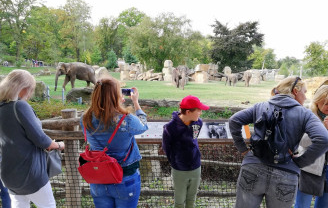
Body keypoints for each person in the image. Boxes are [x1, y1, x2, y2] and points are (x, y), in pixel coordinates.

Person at [228, 76, 328, 208]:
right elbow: (324, 139)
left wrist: (243, 149)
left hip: (252, 169)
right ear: (295, 91)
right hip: (286, 172)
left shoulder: (260, 106)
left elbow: (234, 120)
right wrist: (301, 161)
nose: (305, 97)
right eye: (304, 92)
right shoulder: (305, 114)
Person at [0, 70, 65, 208]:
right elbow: (41, 139)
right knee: (48, 205)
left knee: (19, 205)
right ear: (22, 88)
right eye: (30, 90)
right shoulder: (19, 106)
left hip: (9, 173)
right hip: (30, 173)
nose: (30, 95)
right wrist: (58, 145)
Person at [80, 77, 148, 208]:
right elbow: (143, 126)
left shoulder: (85, 118)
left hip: (98, 179)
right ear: (115, 96)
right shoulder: (126, 120)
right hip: (125, 178)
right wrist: (136, 102)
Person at [162, 95, 210, 208]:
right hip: (179, 170)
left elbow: (194, 139)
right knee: (179, 202)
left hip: (196, 167)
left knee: (191, 199)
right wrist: (175, 162)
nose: (200, 113)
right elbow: (166, 148)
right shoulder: (170, 128)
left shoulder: (198, 123)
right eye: (198, 110)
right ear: (188, 112)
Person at [294, 85, 328, 208]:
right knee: (302, 205)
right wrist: (324, 130)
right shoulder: (307, 115)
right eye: (325, 103)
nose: (327, 107)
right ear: (317, 100)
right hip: (310, 168)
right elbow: (302, 142)